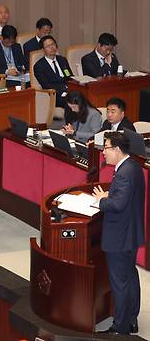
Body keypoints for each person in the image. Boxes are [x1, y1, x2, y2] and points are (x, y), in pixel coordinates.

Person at [92, 131, 144, 335]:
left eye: (105, 148)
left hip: (119, 237)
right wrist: (110, 194)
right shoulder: (133, 167)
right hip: (130, 233)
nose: (103, 152)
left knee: (120, 283)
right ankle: (131, 319)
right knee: (130, 276)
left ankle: (120, 328)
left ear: (117, 150)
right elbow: (127, 197)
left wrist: (102, 201)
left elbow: (119, 204)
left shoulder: (123, 172)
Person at [32, 35, 73, 107]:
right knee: (74, 101)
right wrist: (63, 93)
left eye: (53, 44)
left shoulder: (62, 60)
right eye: (48, 46)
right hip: (55, 96)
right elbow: (46, 86)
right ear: (42, 50)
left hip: (70, 91)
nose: (52, 47)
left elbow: (70, 77)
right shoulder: (39, 66)